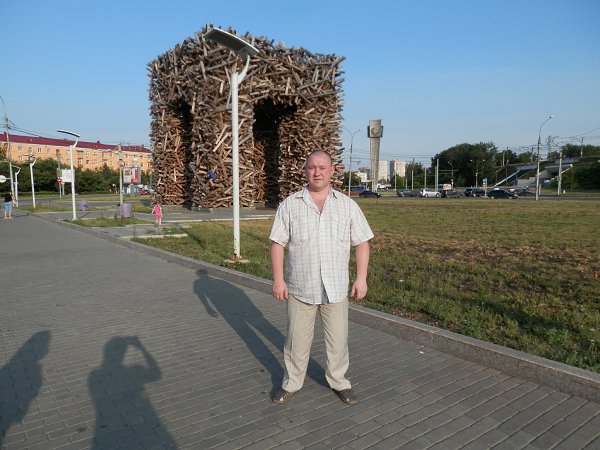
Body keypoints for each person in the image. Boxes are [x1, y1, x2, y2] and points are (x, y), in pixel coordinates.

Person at [269, 150, 374, 405]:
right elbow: (277, 244)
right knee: (296, 342)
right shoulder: (290, 205)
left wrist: (361, 278)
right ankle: (292, 383)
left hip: (335, 289)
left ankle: (339, 381)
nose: (317, 172)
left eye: (322, 167)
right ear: (305, 170)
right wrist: (278, 279)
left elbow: (362, 242)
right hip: (300, 287)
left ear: (332, 171)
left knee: (338, 342)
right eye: (312, 167)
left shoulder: (347, 205)